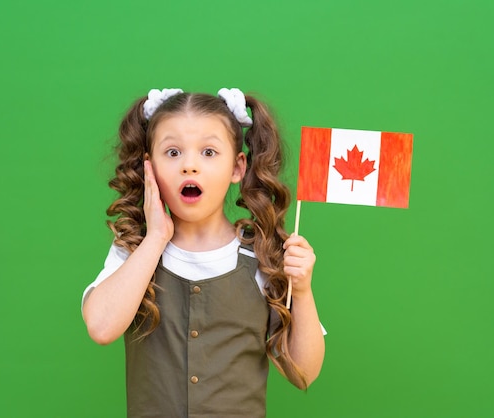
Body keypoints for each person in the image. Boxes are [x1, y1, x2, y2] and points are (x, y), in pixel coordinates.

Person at [81, 88, 325, 418]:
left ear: (238, 168)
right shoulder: (135, 249)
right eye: (173, 152)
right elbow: (101, 327)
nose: (190, 166)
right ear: (149, 167)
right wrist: (155, 239)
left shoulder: (262, 254)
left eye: (209, 152)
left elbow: (303, 371)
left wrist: (304, 291)